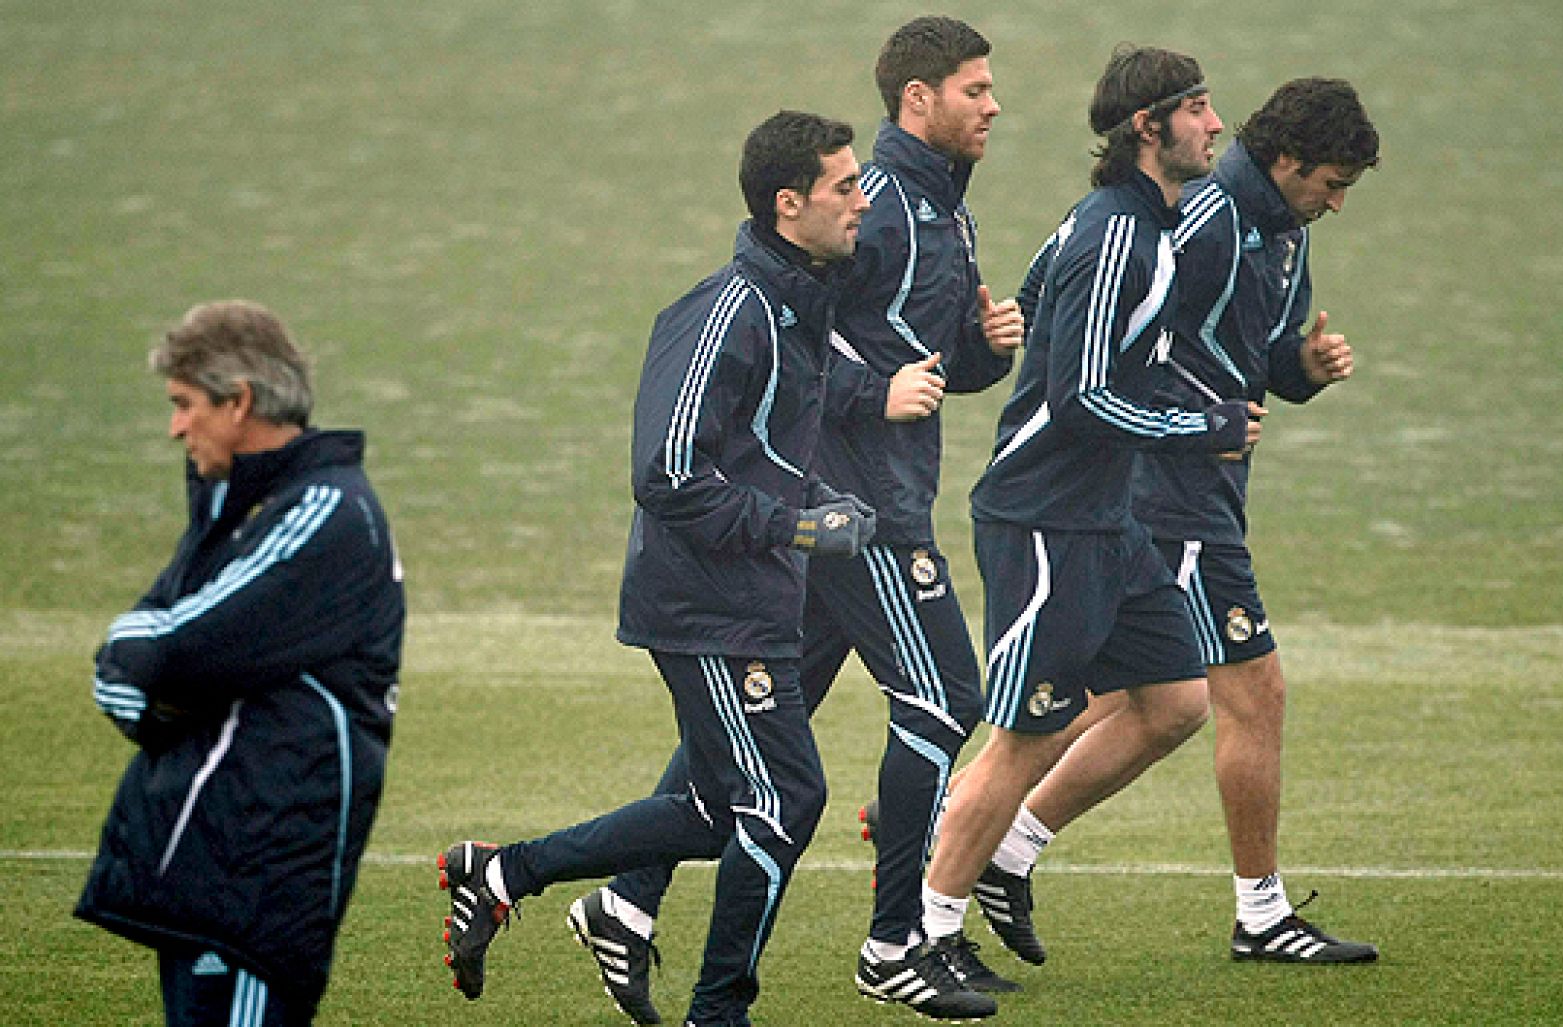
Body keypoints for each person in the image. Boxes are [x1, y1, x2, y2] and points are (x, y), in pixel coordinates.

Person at [567, 17, 1022, 1023]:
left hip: (859, 503)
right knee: (946, 697)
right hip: (851, 509)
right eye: (976, 89)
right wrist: (872, 399)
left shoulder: (944, 209)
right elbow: (803, 331)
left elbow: (924, 361)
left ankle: (626, 905)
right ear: (919, 98)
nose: (994, 106)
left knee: (774, 719)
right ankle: (896, 942)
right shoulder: (887, 203)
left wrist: (985, 351)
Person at [436, 110, 875, 1027]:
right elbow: (665, 473)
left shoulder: (799, 305)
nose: (859, 199)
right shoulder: (727, 311)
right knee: (785, 796)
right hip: (706, 603)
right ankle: (719, 1015)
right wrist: (798, 528)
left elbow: (761, 450)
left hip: (751, 598)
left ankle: (504, 870)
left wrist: (826, 512)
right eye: (843, 185)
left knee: (720, 812)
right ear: (788, 204)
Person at [972, 77, 1382, 967]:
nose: (1338, 203)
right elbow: (1094, 331)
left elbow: (1253, 354)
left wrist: (1304, 367)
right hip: (1172, 492)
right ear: (1287, 162)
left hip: (1201, 490)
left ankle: (992, 838)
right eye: (1332, 182)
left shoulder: (1279, 229)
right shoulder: (1198, 219)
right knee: (1250, 693)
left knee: (1136, 699)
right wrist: (1191, 423)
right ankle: (1260, 912)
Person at [916, 44, 1261, 982]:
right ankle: (924, 934)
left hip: (1110, 522)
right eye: (1197, 109)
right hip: (1047, 520)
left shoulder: (1132, 226)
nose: (1216, 125)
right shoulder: (1121, 234)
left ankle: (1009, 855)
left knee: (1175, 698)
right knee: (1024, 733)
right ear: (1148, 128)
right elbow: (1079, 397)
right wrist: (1206, 424)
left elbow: (1039, 312)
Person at [75, 300, 407, 1026]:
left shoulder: (327, 512)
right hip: (211, 867)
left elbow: (163, 649)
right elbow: (128, 658)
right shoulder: (243, 510)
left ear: (240, 402)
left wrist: (158, 682)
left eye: (185, 404)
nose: (175, 426)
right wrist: (157, 683)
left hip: (255, 880)